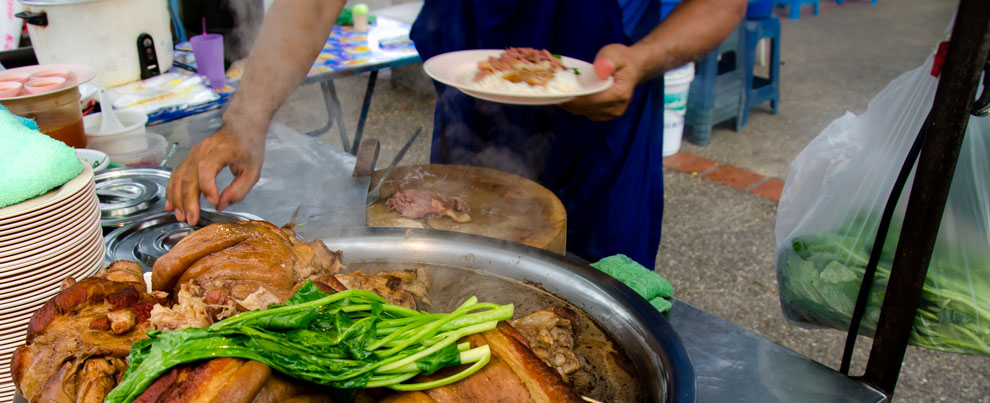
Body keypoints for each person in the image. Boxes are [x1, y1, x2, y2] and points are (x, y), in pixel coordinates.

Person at [166, 0, 746, 268]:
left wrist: (643, 60)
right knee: (446, 277)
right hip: (471, 128)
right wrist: (244, 122)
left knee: (593, 321)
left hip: (603, 135)